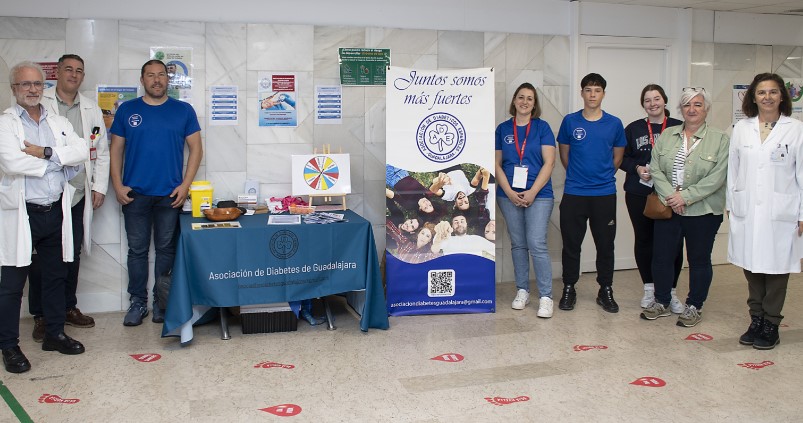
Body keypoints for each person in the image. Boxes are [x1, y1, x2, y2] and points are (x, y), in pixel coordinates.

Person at [0, 61, 89, 373]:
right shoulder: (6, 124)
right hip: (22, 215)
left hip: (55, 212)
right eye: (25, 84)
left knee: (55, 277)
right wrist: (59, 161)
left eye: (37, 84)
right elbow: (12, 162)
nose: (33, 89)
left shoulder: (57, 120)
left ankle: (54, 333)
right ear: (14, 89)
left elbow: (81, 149)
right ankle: (9, 346)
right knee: (12, 284)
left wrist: (46, 153)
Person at [110, 59, 203, 326]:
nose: (156, 80)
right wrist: (117, 185)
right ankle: (137, 303)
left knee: (166, 250)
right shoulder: (128, 110)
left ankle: (161, 302)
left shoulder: (183, 110)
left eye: (161, 75)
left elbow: (196, 149)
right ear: (142, 80)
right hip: (134, 195)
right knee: (137, 252)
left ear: (168, 79)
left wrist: (185, 186)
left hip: (169, 196)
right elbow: (116, 150)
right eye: (150, 75)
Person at [27, 54, 110, 343]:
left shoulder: (91, 109)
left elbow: (99, 149)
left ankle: (66, 307)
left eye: (79, 71)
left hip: (77, 193)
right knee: (39, 258)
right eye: (68, 70)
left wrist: (99, 186)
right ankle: (41, 315)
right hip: (46, 194)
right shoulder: (41, 103)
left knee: (70, 253)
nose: (74, 75)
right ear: (58, 73)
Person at [640, 87, 729, 328]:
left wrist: (685, 197)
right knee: (662, 257)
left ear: (706, 109)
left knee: (699, 259)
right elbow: (655, 167)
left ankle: (694, 305)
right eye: (687, 105)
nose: (692, 109)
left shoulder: (720, 139)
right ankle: (661, 301)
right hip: (668, 208)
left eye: (698, 104)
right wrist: (671, 196)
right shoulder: (668, 136)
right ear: (680, 109)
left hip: (703, 211)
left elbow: (717, 177)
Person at [728, 73, 803, 349]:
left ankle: (771, 322)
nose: (767, 97)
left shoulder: (796, 129)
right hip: (747, 208)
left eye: (773, 92)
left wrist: (802, 213)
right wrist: (731, 205)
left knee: (776, 268)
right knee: (751, 266)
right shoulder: (742, 128)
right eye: (761, 92)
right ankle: (755, 318)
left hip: (781, 212)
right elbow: (732, 172)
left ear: (782, 96)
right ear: (753, 97)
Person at [556, 73, 626, 313]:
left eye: (597, 90)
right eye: (588, 90)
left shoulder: (614, 123)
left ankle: (605, 289)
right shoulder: (570, 122)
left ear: (603, 94)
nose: (592, 94)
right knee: (571, 244)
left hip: (604, 194)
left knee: (606, 245)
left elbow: (617, 157)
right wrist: (580, 175)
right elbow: (564, 155)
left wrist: (601, 176)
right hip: (575, 192)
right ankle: (569, 287)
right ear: (582, 93)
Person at [495, 82, 557, 317]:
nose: (524, 102)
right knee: (518, 244)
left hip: (539, 195)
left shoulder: (542, 128)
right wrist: (509, 192)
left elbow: (549, 163)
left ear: (534, 104)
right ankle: (522, 290)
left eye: (530, 98)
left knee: (536, 243)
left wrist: (532, 192)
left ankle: (545, 296)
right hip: (508, 195)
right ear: (514, 101)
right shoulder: (502, 129)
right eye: (521, 97)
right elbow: (496, 164)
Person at [621, 84, 684, 312]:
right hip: (640, 192)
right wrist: (636, 168)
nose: (652, 103)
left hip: (671, 194)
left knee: (673, 244)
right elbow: (621, 158)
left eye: (656, 98)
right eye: (647, 100)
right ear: (643, 104)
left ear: (665, 101)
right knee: (645, 240)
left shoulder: (679, 126)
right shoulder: (634, 129)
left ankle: (670, 292)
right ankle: (649, 289)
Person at [431, 214, 495, 258]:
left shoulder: (476, 239)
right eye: (456, 222)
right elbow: (434, 250)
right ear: (452, 226)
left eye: (462, 221)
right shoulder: (447, 239)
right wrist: (440, 233)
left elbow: (496, 251)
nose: (459, 224)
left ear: (466, 224)